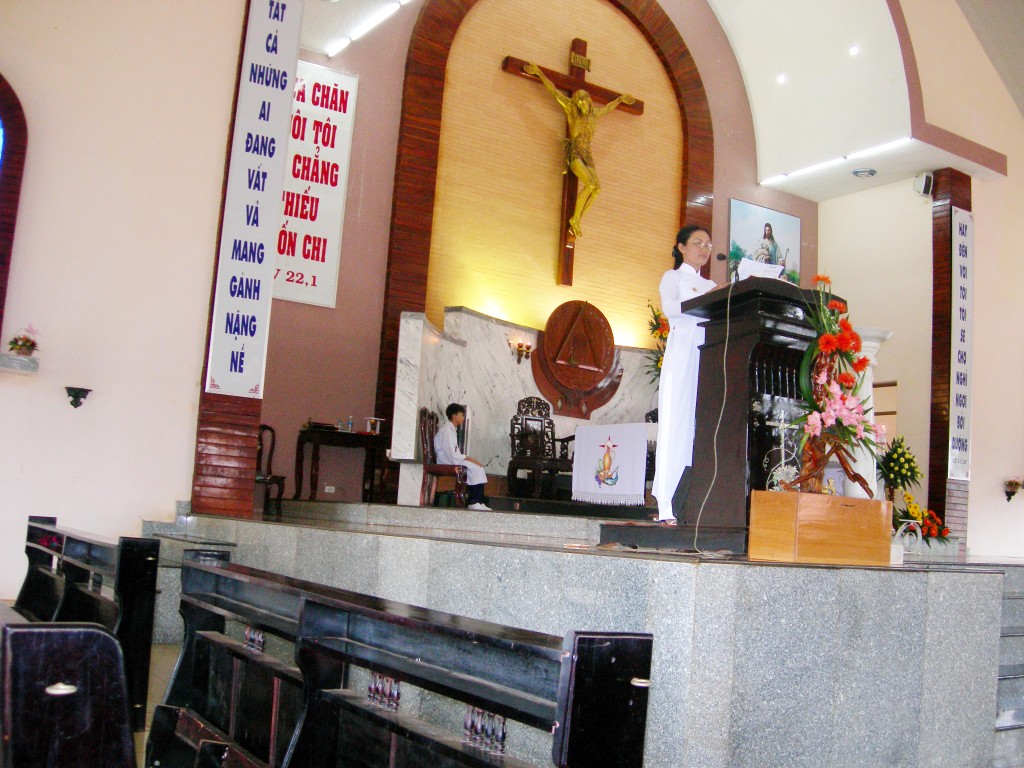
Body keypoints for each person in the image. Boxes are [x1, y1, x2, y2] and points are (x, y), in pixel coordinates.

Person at [522, 61, 635, 238]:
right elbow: (554, 91)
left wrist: (620, 99)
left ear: (589, 102)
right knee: (589, 184)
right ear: (576, 103)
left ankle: (577, 220)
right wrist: (539, 73)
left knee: (597, 189)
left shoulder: (593, 115)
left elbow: (608, 107)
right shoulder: (571, 110)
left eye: (585, 101)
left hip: (587, 154)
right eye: (580, 102)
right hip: (575, 152)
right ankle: (575, 220)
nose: (583, 105)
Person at [652, 226, 718, 523]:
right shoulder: (673, 277)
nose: (704, 249)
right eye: (697, 243)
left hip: (707, 355)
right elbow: (671, 309)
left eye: (708, 245)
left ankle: (693, 502)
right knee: (676, 425)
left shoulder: (711, 284)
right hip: (682, 355)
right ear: (681, 246)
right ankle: (667, 504)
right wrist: (708, 299)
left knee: (698, 428)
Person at [435, 403, 491, 511]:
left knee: (478, 467)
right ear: (454, 415)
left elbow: (454, 454)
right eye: (461, 415)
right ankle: (473, 502)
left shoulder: (451, 430)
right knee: (476, 467)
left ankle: (478, 501)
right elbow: (453, 455)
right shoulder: (447, 431)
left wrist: (470, 459)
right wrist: (470, 459)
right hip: (446, 461)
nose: (463, 418)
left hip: (450, 459)